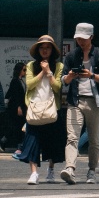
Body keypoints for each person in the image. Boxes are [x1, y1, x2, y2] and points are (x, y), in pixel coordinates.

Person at [60, 21, 99, 185]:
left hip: (95, 102)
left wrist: (91, 75)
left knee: (94, 139)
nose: (80, 42)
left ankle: (91, 170)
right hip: (75, 100)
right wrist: (70, 77)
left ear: (91, 37)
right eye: (78, 38)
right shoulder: (71, 56)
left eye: (84, 38)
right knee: (72, 137)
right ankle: (70, 169)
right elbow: (63, 80)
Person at [21, 36, 64, 185]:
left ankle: (51, 171)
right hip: (34, 107)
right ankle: (34, 173)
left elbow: (58, 87)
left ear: (52, 50)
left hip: (51, 108)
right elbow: (30, 84)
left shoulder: (58, 66)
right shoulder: (31, 66)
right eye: (42, 47)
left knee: (52, 142)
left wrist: (49, 72)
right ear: (38, 50)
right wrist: (42, 71)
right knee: (32, 141)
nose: (45, 50)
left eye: (48, 47)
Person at [6, 62, 27, 156]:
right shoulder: (15, 81)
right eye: (24, 70)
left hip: (22, 106)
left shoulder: (21, 80)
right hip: (16, 107)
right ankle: (16, 145)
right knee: (18, 126)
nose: (25, 72)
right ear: (19, 70)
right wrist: (18, 107)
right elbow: (14, 94)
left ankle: (19, 145)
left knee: (19, 126)